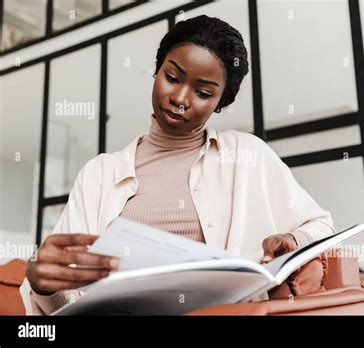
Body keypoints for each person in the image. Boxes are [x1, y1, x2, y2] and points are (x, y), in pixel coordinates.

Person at [21, 15, 335, 315]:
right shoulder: (98, 175)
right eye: (172, 78)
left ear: (220, 102)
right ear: (156, 72)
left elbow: (320, 225)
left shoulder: (247, 154)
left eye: (202, 93)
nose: (181, 98)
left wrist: (292, 241)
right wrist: (43, 286)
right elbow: (65, 302)